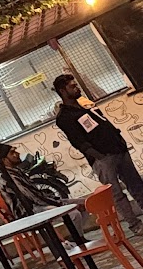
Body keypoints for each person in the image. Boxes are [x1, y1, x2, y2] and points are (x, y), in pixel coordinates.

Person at [53, 73, 143, 235]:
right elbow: (78, 141)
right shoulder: (64, 117)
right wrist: (99, 156)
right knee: (116, 193)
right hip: (102, 158)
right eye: (72, 86)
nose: (77, 88)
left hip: (118, 149)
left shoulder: (85, 105)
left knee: (136, 184)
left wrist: (120, 140)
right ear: (62, 91)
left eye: (76, 85)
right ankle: (135, 224)